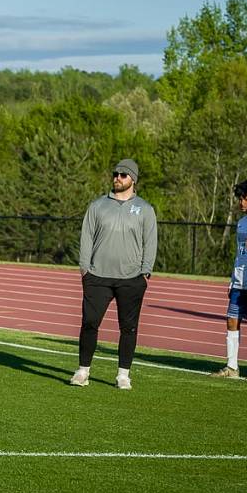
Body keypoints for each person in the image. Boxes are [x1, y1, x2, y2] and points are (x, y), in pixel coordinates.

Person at [71, 159, 157, 390]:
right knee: (89, 323)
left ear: (133, 180)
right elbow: (86, 237)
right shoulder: (97, 206)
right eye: (115, 174)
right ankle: (83, 371)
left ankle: (123, 374)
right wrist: (85, 270)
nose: (117, 178)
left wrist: (145, 273)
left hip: (131, 278)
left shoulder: (145, 209)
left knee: (128, 328)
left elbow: (150, 242)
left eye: (123, 175)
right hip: (97, 276)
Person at [212, 180, 247, 379]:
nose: (243, 203)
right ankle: (232, 367)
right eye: (241, 199)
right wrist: (231, 280)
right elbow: (239, 253)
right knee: (231, 321)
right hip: (239, 282)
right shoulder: (242, 222)